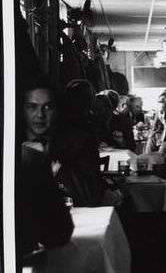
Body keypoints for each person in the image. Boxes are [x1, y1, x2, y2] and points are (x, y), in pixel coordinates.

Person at [24, 79, 105, 207]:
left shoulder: (80, 141)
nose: (40, 114)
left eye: (48, 107)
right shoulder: (16, 146)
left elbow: (90, 196)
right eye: (32, 107)